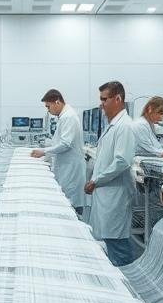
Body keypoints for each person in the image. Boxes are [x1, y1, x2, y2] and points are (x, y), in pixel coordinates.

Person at [85, 80, 136, 266]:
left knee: (118, 246)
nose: (101, 104)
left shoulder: (125, 126)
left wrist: (96, 180)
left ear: (118, 99)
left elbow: (121, 161)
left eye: (104, 100)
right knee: (110, 243)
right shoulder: (114, 124)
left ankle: (127, 286)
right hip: (107, 195)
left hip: (115, 196)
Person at [30, 89, 85, 214]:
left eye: (48, 106)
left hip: (70, 170)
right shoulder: (64, 117)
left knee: (71, 207)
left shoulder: (69, 117)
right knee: (67, 204)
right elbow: (60, 142)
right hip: (66, 167)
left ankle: (76, 231)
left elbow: (65, 144)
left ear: (57, 102)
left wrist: (43, 151)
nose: (48, 110)